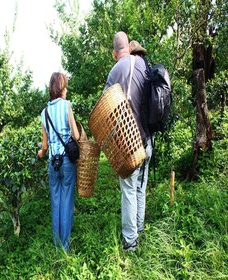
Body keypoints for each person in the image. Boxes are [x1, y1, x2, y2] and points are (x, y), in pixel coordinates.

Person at [105, 32, 153, 251]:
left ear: (115, 52)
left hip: (129, 143)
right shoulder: (144, 65)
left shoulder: (115, 70)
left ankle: (130, 242)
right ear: (130, 47)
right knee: (140, 187)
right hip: (148, 139)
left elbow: (106, 109)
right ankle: (140, 229)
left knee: (128, 189)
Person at [37, 72, 80, 252]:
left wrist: (40, 153)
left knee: (56, 202)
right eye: (65, 86)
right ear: (61, 88)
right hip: (67, 162)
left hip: (52, 163)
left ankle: (56, 244)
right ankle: (65, 245)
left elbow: (44, 146)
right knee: (67, 201)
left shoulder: (44, 112)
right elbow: (76, 135)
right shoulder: (66, 106)